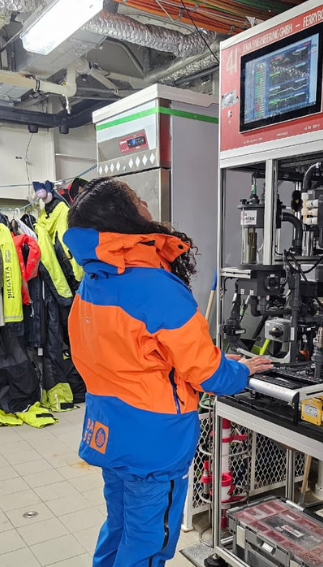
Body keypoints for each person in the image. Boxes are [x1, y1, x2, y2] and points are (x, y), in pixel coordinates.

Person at [64, 178, 273, 566]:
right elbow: (206, 372)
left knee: (121, 525)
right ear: (124, 220)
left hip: (109, 431)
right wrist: (241, 372)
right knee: (149, 543)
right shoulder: (155, 286)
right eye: (139, 201)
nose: (147, 205)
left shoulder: (92, 282)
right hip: (153, 443)